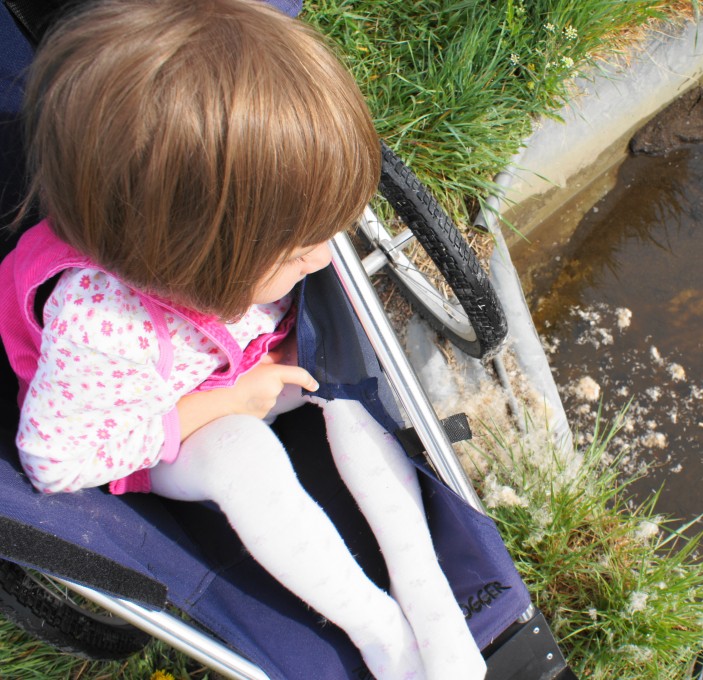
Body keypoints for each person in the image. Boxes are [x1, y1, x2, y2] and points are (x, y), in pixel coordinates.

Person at [0, 1, 487, 678]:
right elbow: (56, 461)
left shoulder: (245, 240)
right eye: (296, 251)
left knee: (346, 394)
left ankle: (425, 586)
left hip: (262, 363)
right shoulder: (103, 325)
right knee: (244, 457)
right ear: (191, 260)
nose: (322, 258)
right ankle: (378, 629)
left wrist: (273, 358)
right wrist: (226, 405)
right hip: (167, 422)